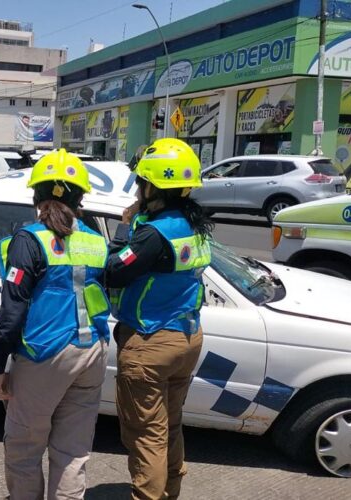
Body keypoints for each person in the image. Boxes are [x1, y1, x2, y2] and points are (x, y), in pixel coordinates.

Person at [0, 149, 110, 500]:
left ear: (37, 195)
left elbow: (12, 313)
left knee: (25, 447)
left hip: (45, 355)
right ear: (81, 197)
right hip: (92, 352)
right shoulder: (95, 240)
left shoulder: (29, 239)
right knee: (72, 452)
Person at [106, 138, 213, 500]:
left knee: (147, 433)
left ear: (152, 187)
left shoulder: (153, 235)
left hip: (151, 342)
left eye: (140, 182)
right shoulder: (191, 225)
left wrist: (124, 227)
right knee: (170, 424)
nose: (137, 188)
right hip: (187, 337)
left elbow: (115, 271)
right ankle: (170, 492)